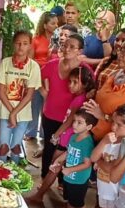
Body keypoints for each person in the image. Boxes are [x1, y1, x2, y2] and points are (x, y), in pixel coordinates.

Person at [28, 68, 96, 200]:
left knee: (54, 166)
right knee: (55, 165)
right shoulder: (79, 97)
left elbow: (70, 120)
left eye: (75, 82)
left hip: (67, 140)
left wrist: (56, 135)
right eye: (70, 81)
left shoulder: (80, 100)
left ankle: (39, 195)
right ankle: (42, 194)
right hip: (68, 139)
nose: (70, 85)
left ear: (85, 84)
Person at [40, 33, 92, 179]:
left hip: (71, 121)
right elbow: (37, 78)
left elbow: (91, 87)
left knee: (66, 151)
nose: (67, 49)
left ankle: (63, 182)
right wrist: (44, 92)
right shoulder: (52, 64)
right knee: (49, 148)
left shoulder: (83, 69)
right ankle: (45, 177)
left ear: (80, 51)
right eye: (65, 45)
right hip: (50, 114)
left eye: (72, 47)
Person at [84, 35, 125, 142]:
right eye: (120, 50)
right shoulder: (117, 72)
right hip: (92, 133)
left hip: (111, 142)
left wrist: (103, 116)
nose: (120, 54)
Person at [0, 31, 41, 163]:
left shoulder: (34, 67)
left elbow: (29, 95)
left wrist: (14, 113)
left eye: (25, 43)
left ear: (30, 46)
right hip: (4, 111)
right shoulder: (5, 63)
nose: (21, 46)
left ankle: (13, 173)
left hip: (23, 113)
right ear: (14, 44)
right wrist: (11, 113)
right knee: (3, 146)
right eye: (18, 43)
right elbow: (1, 92)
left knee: (16, 146)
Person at [49, 109, 98, 208]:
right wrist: (58, 160)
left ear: (89, 127)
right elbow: (68, 152)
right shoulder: (73, 137)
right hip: (69, 176)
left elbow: (88, 164)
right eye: (74, 121)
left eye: (79, 122)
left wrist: (70, 170)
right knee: (70, 197)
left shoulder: (87, 143)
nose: (74, 125)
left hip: (79, 179)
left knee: (79, 203)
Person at [26, 12, 60, 141]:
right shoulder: (36, 40)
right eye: (53, 23)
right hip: (37, 75)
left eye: (57, 23)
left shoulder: (58, 41)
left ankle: (44, 134)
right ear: (45, 25)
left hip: (51, 77)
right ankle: (31, 132)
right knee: (34, 104)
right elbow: (30, 59)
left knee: (47, 106)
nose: (56, 26)